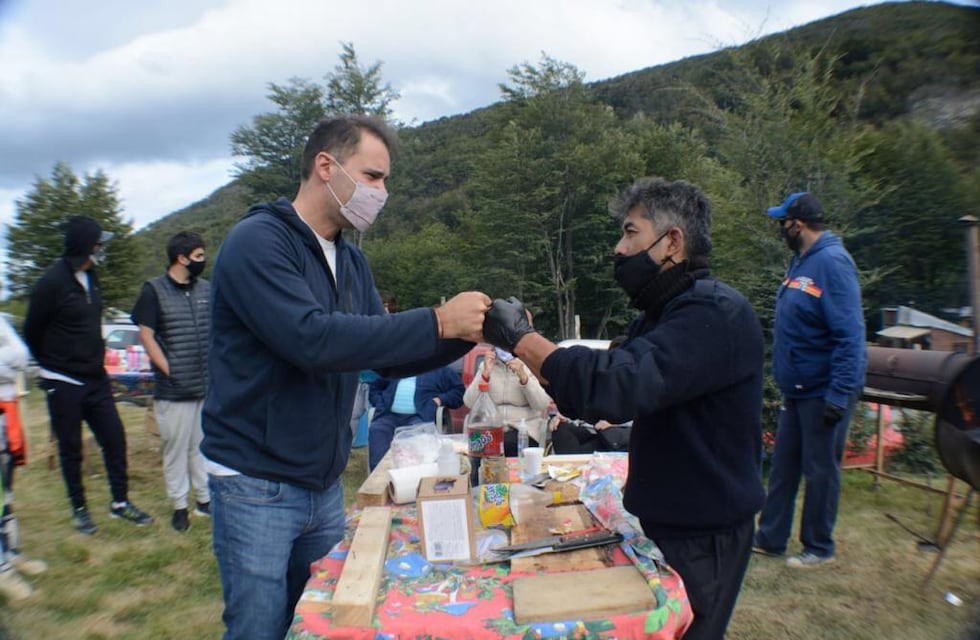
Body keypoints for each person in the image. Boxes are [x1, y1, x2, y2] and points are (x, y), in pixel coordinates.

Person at [200, 115, 490, 640]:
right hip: (256, 480)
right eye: (373, 176)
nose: (383, 192)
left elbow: (382, 354)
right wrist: (438, 319)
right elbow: (312, 340)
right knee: (259, 626)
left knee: (320, 621)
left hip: (323, 481)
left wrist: (466, 335)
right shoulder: (258, 243)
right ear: (326, 166)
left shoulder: (352, 262)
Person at [482, 177, 765, 640]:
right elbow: (597, 378)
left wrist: (520, 339)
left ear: (672, 242)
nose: (618, 248)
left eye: (631, 233)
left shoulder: (715, 314)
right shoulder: (662, 315)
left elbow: (615, 384)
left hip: (702, 530)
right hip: (665, 518)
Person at [753, 192, 866, 568]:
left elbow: (850, 337)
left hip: (824, 391)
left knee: (820, 472)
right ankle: (770, 539)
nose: (780, 228)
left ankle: (819, 547)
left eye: (782, 222)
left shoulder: (833, 263)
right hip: (796, 390)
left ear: (797, 224)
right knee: (784, 465)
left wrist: (839, 394)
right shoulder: (800, 261)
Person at [23, 215, 154, 535]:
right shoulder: (51, 283)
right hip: (64, 381)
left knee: (115, 438)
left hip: (96, 379)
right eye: (97, 244)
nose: (101, 249)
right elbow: (31, 331)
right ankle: (79, 509)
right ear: (84, 245)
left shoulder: (92, 277)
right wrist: (51, 368)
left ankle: (120, 503)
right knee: (71, 448)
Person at [130, 231, 211, 532]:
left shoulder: (206, 290)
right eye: (199, 256)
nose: (203, 261)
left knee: (201, 446)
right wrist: (169, 369)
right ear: (182, 258)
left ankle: (204, 500)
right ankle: (180, 505)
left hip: (204, 386)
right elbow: (146, 334)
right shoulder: (153, 290)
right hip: (174, 390)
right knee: (175, 448)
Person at [0, 313, 46, 600]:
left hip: (8, 410)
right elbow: (13, 362)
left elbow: (22, 356)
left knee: (6, 492)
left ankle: (11, 552)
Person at [367, 366, 464, 470]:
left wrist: (440, 399)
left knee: (417, 436)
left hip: (419, 416)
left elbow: (459, 392)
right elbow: (374, 387)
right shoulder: (398, 365)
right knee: (377, 429)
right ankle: (379, 476)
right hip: (388, 416)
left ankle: (410, 477)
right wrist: (380, 403)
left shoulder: (440, 368)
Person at [549, 335, 632, 454]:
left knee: (582, 450)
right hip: (591, 431)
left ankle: (572, 464)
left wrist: (613, 424)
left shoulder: (636, 385)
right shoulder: (598, 380)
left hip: (615, 437)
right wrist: (562, 418)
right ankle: (571, 463)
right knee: (560, 428)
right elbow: (581, 410)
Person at [463, 345, 551, 456]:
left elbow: (542, 404)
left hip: (523, 429)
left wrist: (524, 378)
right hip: (492, 427)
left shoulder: (529, 366)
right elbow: (469, 402)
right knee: (477, 448)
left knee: (504, 444)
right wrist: (485, 376)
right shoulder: (486, 366)